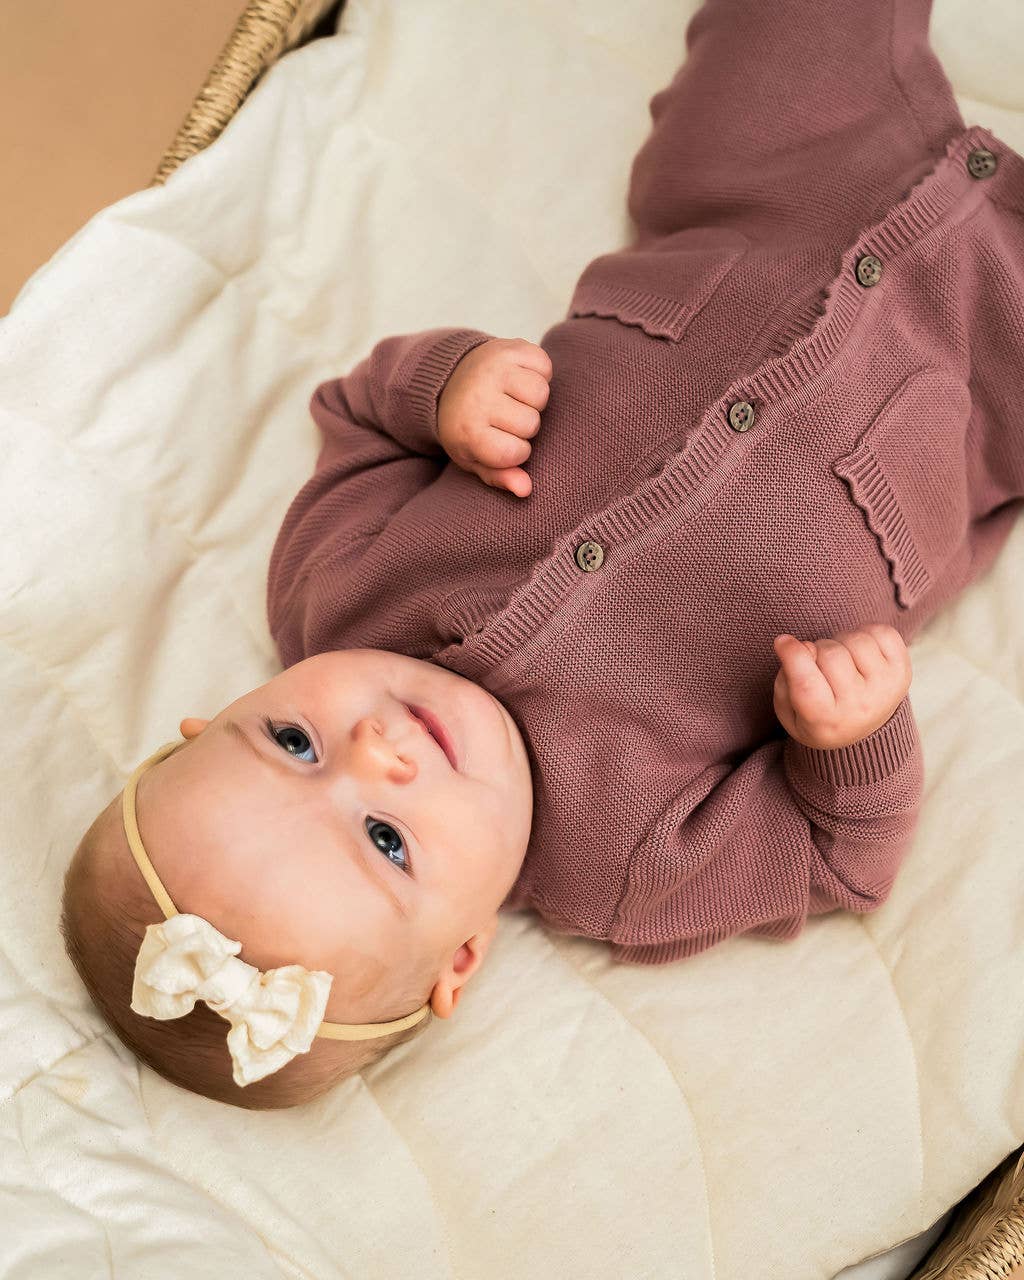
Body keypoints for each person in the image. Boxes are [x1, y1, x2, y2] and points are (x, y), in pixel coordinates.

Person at [60, 0, 1024, 1109]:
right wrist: (852, 739)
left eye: (292, 741)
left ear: (210, 716)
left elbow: (359, 415)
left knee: (776, 45)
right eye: (386, 839)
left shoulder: (335, 590)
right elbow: (840, 857)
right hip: (974, 377)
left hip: (760, 205)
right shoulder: (630, 870)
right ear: (463, 953)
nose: (377, 749)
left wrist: (448, 387)